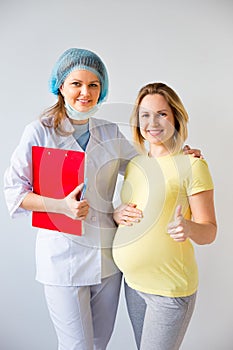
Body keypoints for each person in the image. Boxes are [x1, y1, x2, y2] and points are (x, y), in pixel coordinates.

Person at [4, 48, 202, 350]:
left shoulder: (109, 131)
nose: (85, 92)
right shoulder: (40, 132)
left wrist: (181, 154)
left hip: (108, 260)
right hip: (62, 259)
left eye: (94, 85)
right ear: (60, 85)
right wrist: (61, 206)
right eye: (76, 84)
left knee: (99, 344)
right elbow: (14, 193)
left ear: (102, 89)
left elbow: (146, 165)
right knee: (76, 346)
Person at [113, 82, 217, 350]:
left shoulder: (193, 165)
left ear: (175, 118)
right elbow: (135, 209)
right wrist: (116, 214)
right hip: (134, 285)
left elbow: (210, 231)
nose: (153, 123)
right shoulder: (135, 164)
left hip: (169, 291)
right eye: (145, 115)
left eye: (162, 114)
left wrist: (189, 227)